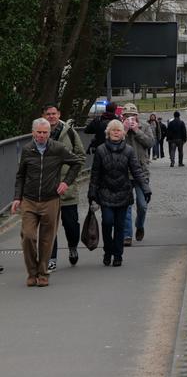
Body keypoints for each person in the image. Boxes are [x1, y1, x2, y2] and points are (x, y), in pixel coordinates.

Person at [11, 118, 84, 286]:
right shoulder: (27, 149)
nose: (42, 135)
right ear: (33, 133)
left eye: (45, 133)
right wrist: (17, 197)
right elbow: (20, 175)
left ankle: (43, 274)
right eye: (39, 132)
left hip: (50, 199)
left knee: (46, 239)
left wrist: (66, 182)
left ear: (49, 134)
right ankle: (32, 272)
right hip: (29, 199)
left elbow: (77, 162)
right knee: (28, 236)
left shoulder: (57, 149)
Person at [88, 119, 150, 268]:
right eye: (113, 130)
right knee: (107, 222)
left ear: (123, 133)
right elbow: (95, 173)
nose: (116, 132)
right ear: (108, 133)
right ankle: (108, 250)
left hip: (123, 192)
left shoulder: (128, 150)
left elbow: (136, 170)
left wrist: (145, 188)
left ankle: (118, 254)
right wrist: (92, 193)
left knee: (120, 225)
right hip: (106, 192)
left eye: (119, 130)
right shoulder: (101, 150)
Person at [43, 105, 86, 271]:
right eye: (48, 114)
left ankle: (73, 246)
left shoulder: (69, 132)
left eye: (54, 114)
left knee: (71, 224)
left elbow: (80, 155)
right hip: (47, 189)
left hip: (67, 186)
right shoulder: (39, 132)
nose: (51, 116)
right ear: (44, 116)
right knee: (49, 225)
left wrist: (71, 176)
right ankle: (51, 258)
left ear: (59, 114)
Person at [121, 104, 153, 245]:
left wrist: (136, 130)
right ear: (123, 116)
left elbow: (150, 143)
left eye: (132, 116)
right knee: (126, 205)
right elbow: (112, 142)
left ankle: (139, 226)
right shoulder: (118, 127)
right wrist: (125, 130)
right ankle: (127, 235)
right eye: (126, 116)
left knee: (142, 205)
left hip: (141, 171)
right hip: (124, 172)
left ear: (137, 116)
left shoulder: (144, 126)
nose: (129, 118)